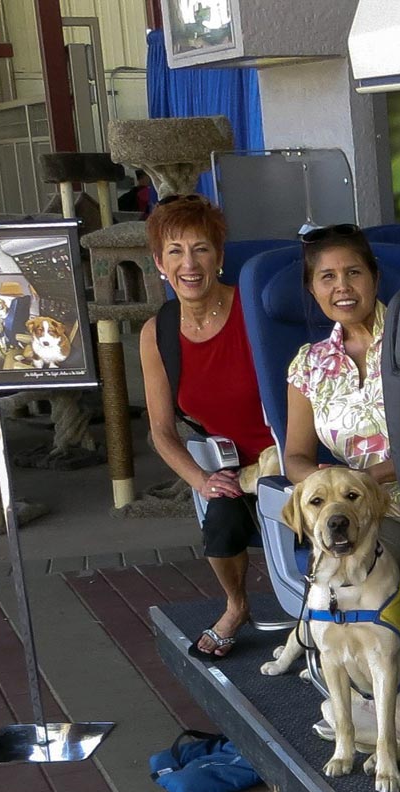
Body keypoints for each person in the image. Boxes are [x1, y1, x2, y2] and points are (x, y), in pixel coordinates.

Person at [137, 195, 274, 658]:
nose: (188, 264)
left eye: (200, 249)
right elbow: (161, 430)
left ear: (218, 256)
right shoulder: (157, 333)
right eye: (175, 251)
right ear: (159, 262)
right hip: (229, 463)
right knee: (221, 519)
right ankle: (237, 605)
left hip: (287, 451)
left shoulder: (253, 311)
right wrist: (201, 480)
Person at [282, 224, 394, 486]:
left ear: (375, 279)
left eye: (353, 273)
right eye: (328, 277)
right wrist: (329, 480)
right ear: (312, 289)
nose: (342, 287)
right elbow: (295, 458)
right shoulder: (309, 365)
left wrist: (362, 479)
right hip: (352, 507)